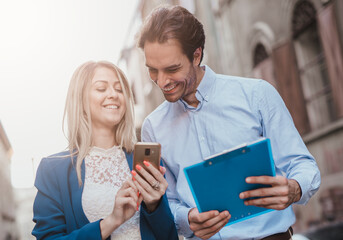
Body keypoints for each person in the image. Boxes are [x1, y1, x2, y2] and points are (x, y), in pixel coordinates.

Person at [137, 5, 321, 240]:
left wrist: (295, 188)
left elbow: (304, 165)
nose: (162, 82)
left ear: (196, 55)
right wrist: (187, 218)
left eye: (172, 69)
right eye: (153, 70)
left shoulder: (257, 95)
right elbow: (164, 201)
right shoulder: (153, 127)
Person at [32, 61, 178, 240]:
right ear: (80, 99)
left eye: (119, 89)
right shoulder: (53, 170)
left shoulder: (147, 162)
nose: (113, 95)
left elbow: (169, 235)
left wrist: (155, 205)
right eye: (101, 88)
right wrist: (112, 221)